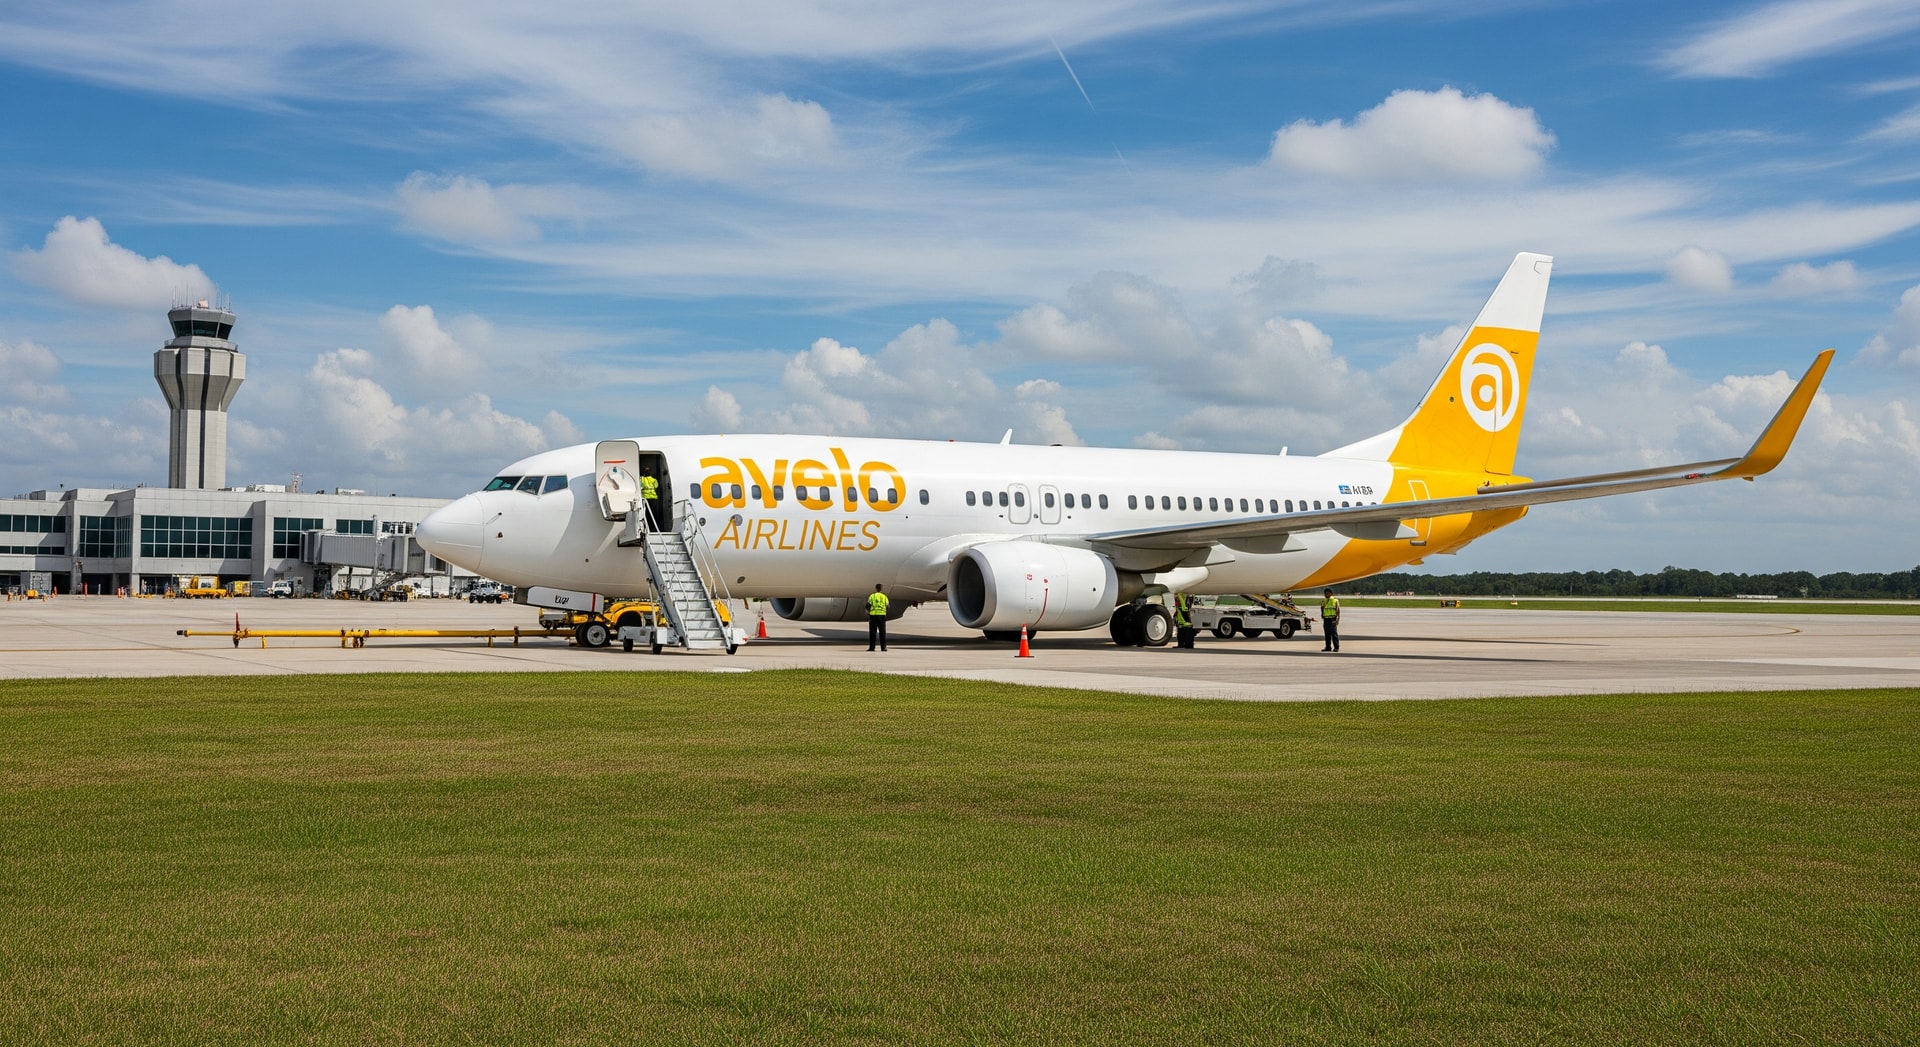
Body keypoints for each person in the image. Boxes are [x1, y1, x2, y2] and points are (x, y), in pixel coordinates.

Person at [866, 584, 890, 651]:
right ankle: (884, 647)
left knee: (873, 633)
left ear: (876, 588)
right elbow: (888, 606)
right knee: (882, 632)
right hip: (882, 616)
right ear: (881, 589)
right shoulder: (884, 597)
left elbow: (867, 606)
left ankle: (872, 647)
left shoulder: (872, 596)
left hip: (873, 616)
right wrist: (883, 610)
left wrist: (869, 612)